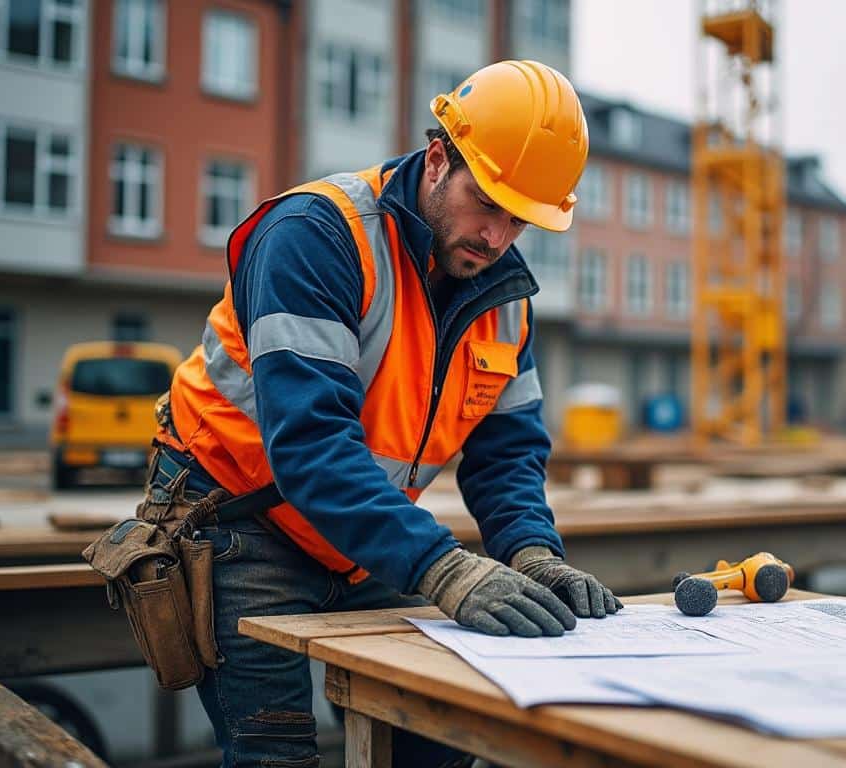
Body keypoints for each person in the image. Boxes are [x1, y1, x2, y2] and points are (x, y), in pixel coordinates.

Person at [145, 60, 621, 767]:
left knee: (435, 739)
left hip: (367, 537)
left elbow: (508, 453)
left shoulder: (504, 298)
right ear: (437, 159)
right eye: (486, 202)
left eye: (518, 220)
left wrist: (531, 552)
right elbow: (309, 447)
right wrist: (443, 568)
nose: (496, 237)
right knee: (276, 754)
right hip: (240, 522)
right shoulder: (317, 237)